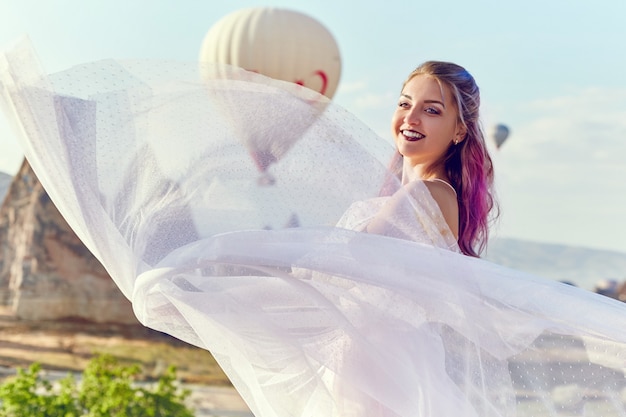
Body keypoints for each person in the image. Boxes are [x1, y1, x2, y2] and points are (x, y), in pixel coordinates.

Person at [3, 39, 626, 417]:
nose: (411, 117)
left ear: (460, 130)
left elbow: (347, 261)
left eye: (432, 110)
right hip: (362, 350)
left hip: (380, 357)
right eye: (404, 102)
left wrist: (224, 256)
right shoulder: (412, 188)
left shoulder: (434, 192)